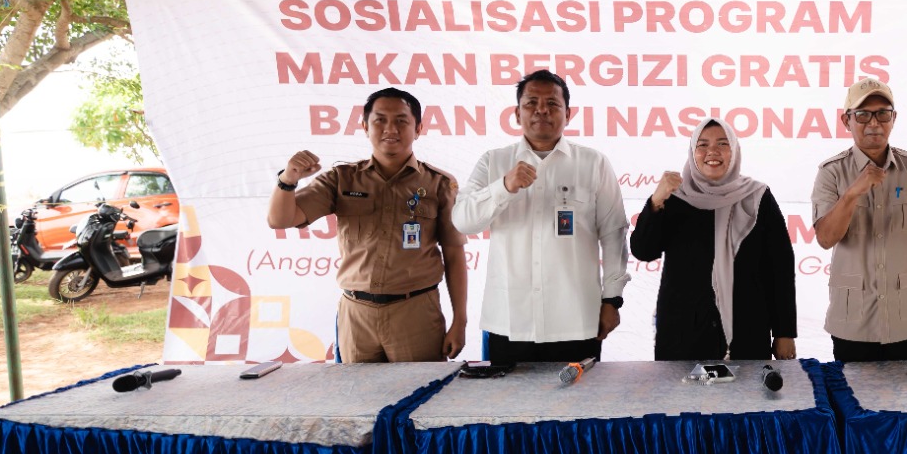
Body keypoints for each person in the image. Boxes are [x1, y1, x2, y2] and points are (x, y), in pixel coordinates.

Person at [268, 87, 467, 362]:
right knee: (357, 401)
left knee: (421, 399)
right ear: (364, 126)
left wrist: (460, 321)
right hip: (356, 313)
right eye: (380, 120)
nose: (390, 129)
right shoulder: (341, 179)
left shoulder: (439, 184)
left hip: (416, 312)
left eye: (401, 120)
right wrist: (288, 179)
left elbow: (454, 255)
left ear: (418, 128)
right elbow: (280, 219)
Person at [452, 70, 629, 363]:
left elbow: (614, 234)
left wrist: (612, 300)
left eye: (552, 103)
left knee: (578, 406)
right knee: (511, 408)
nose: (542, 110)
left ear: (568, 114)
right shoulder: (494, 161)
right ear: (517, 113)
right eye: (532, 103)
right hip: (509, 320)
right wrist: (504, 186)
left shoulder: (593, 163)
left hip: (575, 319)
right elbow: (463, 220)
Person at [629, 118, 797, 361]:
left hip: (746, 332)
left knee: (746, 399)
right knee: (680, 400)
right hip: (682, 334)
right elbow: (643, 251)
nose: (712, 152)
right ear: (692, 152)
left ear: (734, 151)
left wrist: (784, 333)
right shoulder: (674, 197)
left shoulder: (757, 197)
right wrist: (656, 201)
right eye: (703, 145)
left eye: (722, 143)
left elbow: (779, 269)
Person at [812, 77, 907, 361]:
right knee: (853, 402)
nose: (873, 122)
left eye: (882, 113)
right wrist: (852, 194)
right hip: (854, 322)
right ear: (846, 121)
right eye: (862, 114)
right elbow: (826, 239)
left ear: (893, 118)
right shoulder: (831, 173)